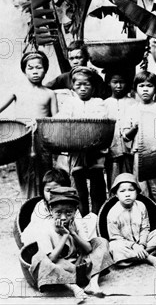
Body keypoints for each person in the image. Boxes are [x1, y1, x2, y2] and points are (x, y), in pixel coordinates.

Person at [0, 51, 57, 198]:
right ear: (24, 70)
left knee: (44, 175)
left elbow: (56, 119)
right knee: (25, 175)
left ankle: (44, 209)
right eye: (30, 68)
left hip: (42, 140)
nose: (35, 71)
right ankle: (27, 208)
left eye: (39, 67)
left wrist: (40, 122)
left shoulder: (49, 93)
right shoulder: (17, 91)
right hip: (21, 140)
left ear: (45, 69)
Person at [27, 186, 113, 303]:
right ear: (51, 210)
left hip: (79, 262)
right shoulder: (45, 229)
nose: (64, 217)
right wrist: (65, 236)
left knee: (100, 242)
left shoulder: (76, 222)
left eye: (69, 213)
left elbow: (88, 249)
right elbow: (51, 258)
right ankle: (74, 288)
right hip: (60, 265)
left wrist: (73, 233)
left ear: (75, 210)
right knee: (40, 259)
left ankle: (92, 283)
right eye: (58, 213)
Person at [55, 66, 108, 216]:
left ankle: (98, 217)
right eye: (79, 85)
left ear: (93, 86)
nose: (83, 88)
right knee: (79, 187)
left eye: (87, 85)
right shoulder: (70, 103)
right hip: (76, 150)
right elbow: (61, 118)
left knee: (97, 186)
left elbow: (101, 122)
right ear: (73, 86)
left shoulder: (98, 103)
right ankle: (81, 218)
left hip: (95, 151)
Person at [122, 71, 156, 221]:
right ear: (135, 88)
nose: (145, 89)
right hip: (140, 157)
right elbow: (125, 137)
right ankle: (145, 224)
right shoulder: (132, 110)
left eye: (149, 86)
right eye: (141, 85)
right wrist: (134, 128)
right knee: (142, 190)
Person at [106, 173, 156, 268]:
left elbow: (145, 228)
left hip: (144, 242)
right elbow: (115, 238)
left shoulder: (141, 206)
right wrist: (134, 246)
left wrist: (141, 244)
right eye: (122, 191)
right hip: (126, 246)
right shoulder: (113, 213)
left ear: (137, 192)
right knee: (114, 247)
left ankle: (135, 256)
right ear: (116, 195)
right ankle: (147, 257)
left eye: (131, 190)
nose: (127, 194)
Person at [22, 168, 97, 244]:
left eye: (56, 190)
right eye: (48, 190)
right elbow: (40, 228)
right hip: (49, 240)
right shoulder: (41, 206)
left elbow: (79, 224)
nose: (51, 194)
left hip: (70, 236)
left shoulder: (71, 205)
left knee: (92, 218)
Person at [103, 67, 136, 189]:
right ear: (108, 83)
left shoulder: (133, 103)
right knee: (114, 180)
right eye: (115, 82)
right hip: (112, 149)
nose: (118, 85)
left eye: (121, 82)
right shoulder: (104, 104)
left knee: (130, 177)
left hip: (129, 149)